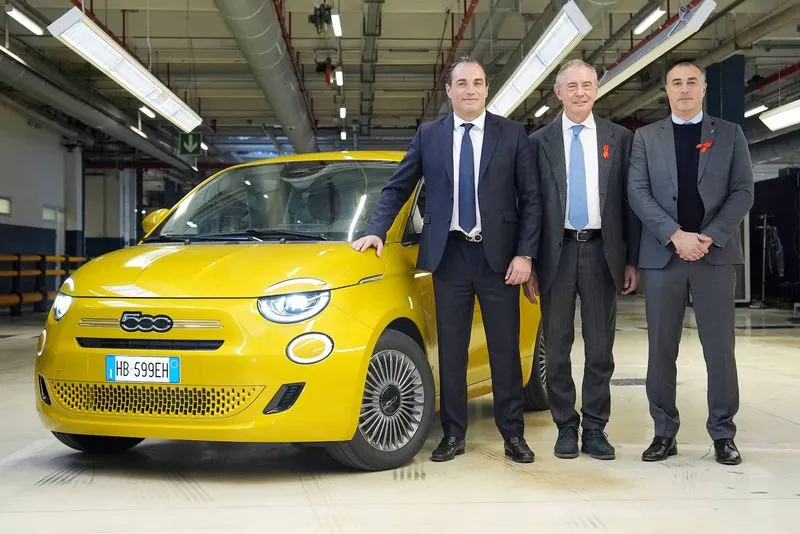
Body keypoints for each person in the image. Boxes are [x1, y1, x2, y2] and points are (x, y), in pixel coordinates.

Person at [351, 56, 541, 463]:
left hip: (499, 258)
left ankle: (513, 434)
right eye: (462, 83)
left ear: (486, 89)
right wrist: (376, 229)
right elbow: (398, 187)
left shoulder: (511, 134)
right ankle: (453, 434)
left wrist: (525, 254)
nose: (471, 89)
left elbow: (531, 199)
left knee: (504, 350)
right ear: (449, 90)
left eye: (478, 82)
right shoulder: (429, 135)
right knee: (451, 350)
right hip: (448, 256)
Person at [627, 62, 754, 465]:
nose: (684, 89)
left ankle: (723, 433)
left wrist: (709, 236)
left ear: (704, 89)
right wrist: (675, 235)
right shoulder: (646, 137)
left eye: (691, 82)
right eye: (676, 83)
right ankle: (664, 432)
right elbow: (637, 192)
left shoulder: (730, 134)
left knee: (720, 350)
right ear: (666, 90)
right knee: (661, 349)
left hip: (713, 256)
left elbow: (743, 190)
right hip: (663, 257)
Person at [525, 59, 641, 461]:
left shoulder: (619, 138)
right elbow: (530, 206)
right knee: (556, 348)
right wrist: (530, 260)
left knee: (600, 348)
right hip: (555, 254)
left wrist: (631, 259)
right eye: (571, 86)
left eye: (587, 85)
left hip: (601, 252)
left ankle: (594, 427)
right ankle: (565, 426)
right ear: (558, 93)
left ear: (597, 90)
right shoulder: (538, 142)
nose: (580, 92)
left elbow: (630, 203)